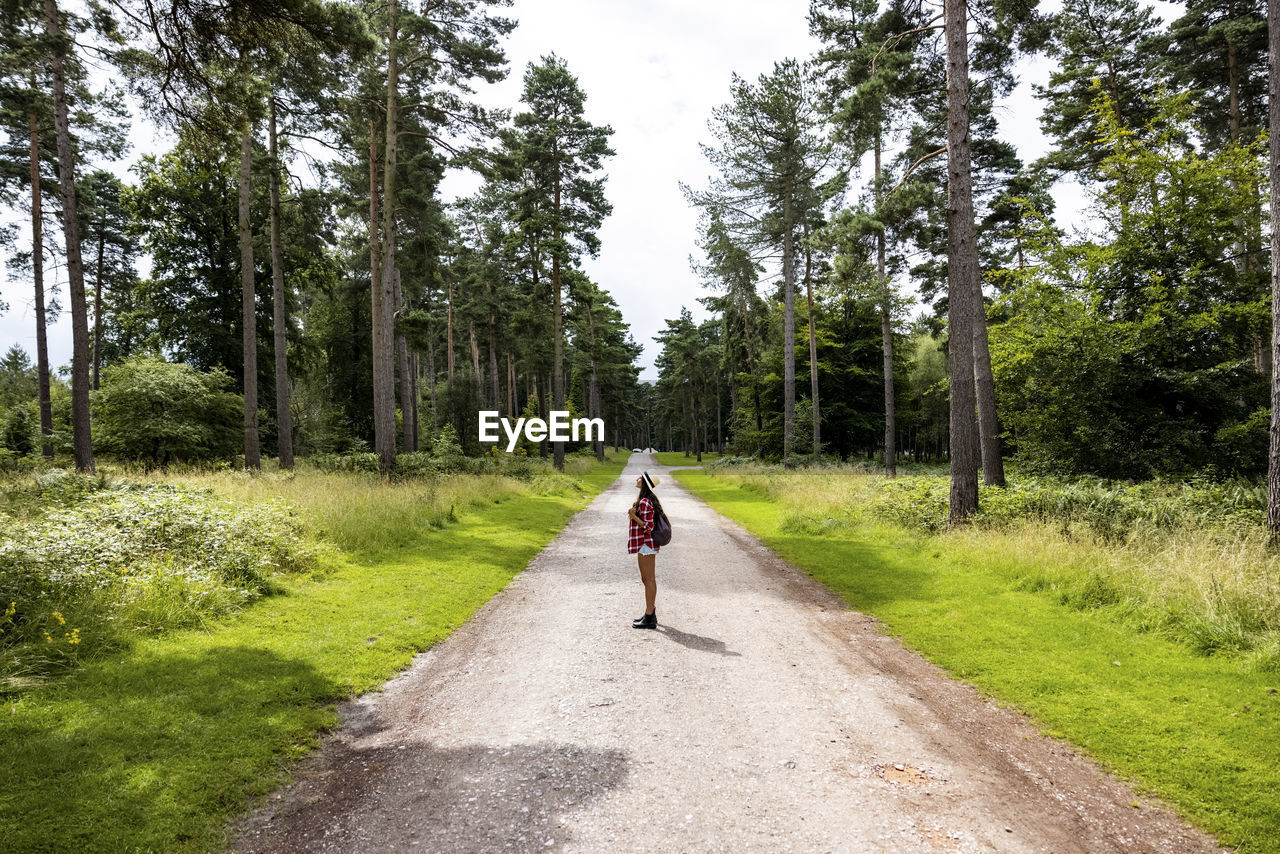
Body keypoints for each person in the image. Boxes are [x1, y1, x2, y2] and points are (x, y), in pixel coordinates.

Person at [627, 470, 663, 629]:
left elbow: (648, 526)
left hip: (646, 544)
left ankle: (649, 617)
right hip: (645, 545)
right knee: (646, 579)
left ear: (645, 483)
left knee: (649, 580)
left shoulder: (644, 502)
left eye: (640, 478)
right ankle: (650, 612)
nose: (637, 479)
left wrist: (633, 516)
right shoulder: (644, 500)